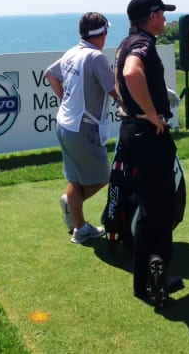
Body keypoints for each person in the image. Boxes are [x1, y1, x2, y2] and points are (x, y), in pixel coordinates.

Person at [115, 0, 186, 305]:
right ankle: (149, 283)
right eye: (163, 14)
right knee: (156, 210)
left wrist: (136, 111)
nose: (166, 19)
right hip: (148, 134)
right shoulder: (142, 44)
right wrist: (150, 113)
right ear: (153, 16)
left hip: (136, 131)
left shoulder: (127, 42)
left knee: (155, 207)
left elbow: (120, 83)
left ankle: (151, 278)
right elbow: (131, 73)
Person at [46, 12, 120, 244]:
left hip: (64, 124)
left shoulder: (72, 52)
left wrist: (65, 101)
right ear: (102, 34)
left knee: (75, 180)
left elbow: (50, 74)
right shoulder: (96, 57)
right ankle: (72, 205)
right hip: (82, 128)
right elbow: (114, 91)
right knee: (102, 177)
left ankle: (80, 228)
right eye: (106, 32)